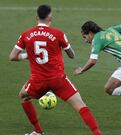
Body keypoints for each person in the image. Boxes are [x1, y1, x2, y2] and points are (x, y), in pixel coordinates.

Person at [9, 5, 101, 135]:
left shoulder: (26, 34)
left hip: (38, 81)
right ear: (50, 18)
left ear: (36, 18)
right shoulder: (58, 34)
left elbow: (12, 56)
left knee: (23, 96)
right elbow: (72, 55)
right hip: (58, 79)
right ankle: (97, 133)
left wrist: (27, 55)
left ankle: (38, 131)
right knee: (80, 105)